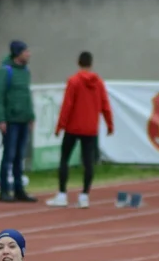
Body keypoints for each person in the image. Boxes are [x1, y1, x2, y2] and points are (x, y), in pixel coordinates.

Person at [46, 51, 114, 210]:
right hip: (90, 128)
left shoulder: (74, 81)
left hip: (73, 127)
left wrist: (59, 126)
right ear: (91, 63)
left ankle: (62, 194)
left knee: (64, 159)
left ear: (78, 62)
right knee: (88, 162)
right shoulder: (98, 83)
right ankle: (84, 196)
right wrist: (110, 124)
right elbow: (105, 105)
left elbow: (67, 105)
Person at [0, 40, 36, 203]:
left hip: (24, 119)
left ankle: (19, 189)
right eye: (26, 51)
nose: (28, 54)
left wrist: (31, 116)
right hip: (11, 120)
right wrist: (1, 119)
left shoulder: (25, 71)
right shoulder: (5, 71)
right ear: (18, 53)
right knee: (9, 155)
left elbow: (26, 95)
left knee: (20, 156)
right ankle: (4, 190)